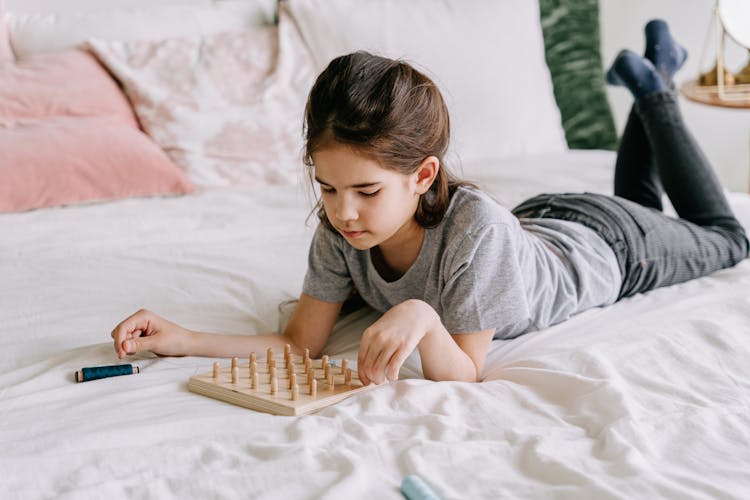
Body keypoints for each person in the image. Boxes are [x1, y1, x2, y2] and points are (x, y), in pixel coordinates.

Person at [111, 20, 748, 385]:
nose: (343, 212)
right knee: (646, 201)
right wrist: (181, 338)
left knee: (724, 237)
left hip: (612, 249)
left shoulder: (475, 233)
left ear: (423, 176)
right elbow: (298, 345)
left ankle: (657, 90)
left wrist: (422, 315)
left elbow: (465, 373)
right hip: (547, 222)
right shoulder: (340, 231)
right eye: (327, 188)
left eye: (366, 191)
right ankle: (651, 75)